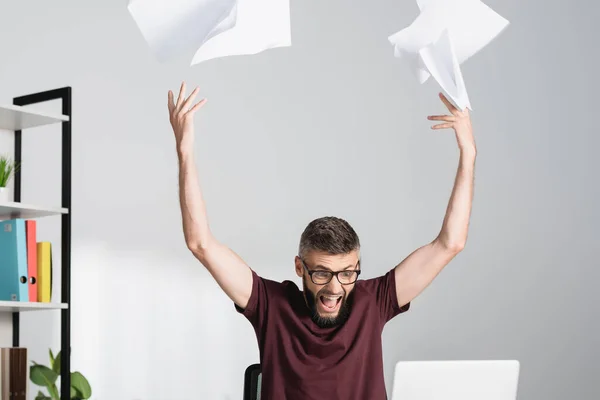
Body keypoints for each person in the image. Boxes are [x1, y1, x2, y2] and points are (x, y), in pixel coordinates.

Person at [167, 82, 476, 400]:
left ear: (356, 268)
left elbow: (449, 244)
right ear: (299, 267)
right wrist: (184, 151)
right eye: (322, 273)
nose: (334, 288)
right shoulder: (270, 306)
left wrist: (469, 152)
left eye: (346, 273)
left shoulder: (374, 301)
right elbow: (200, 244)